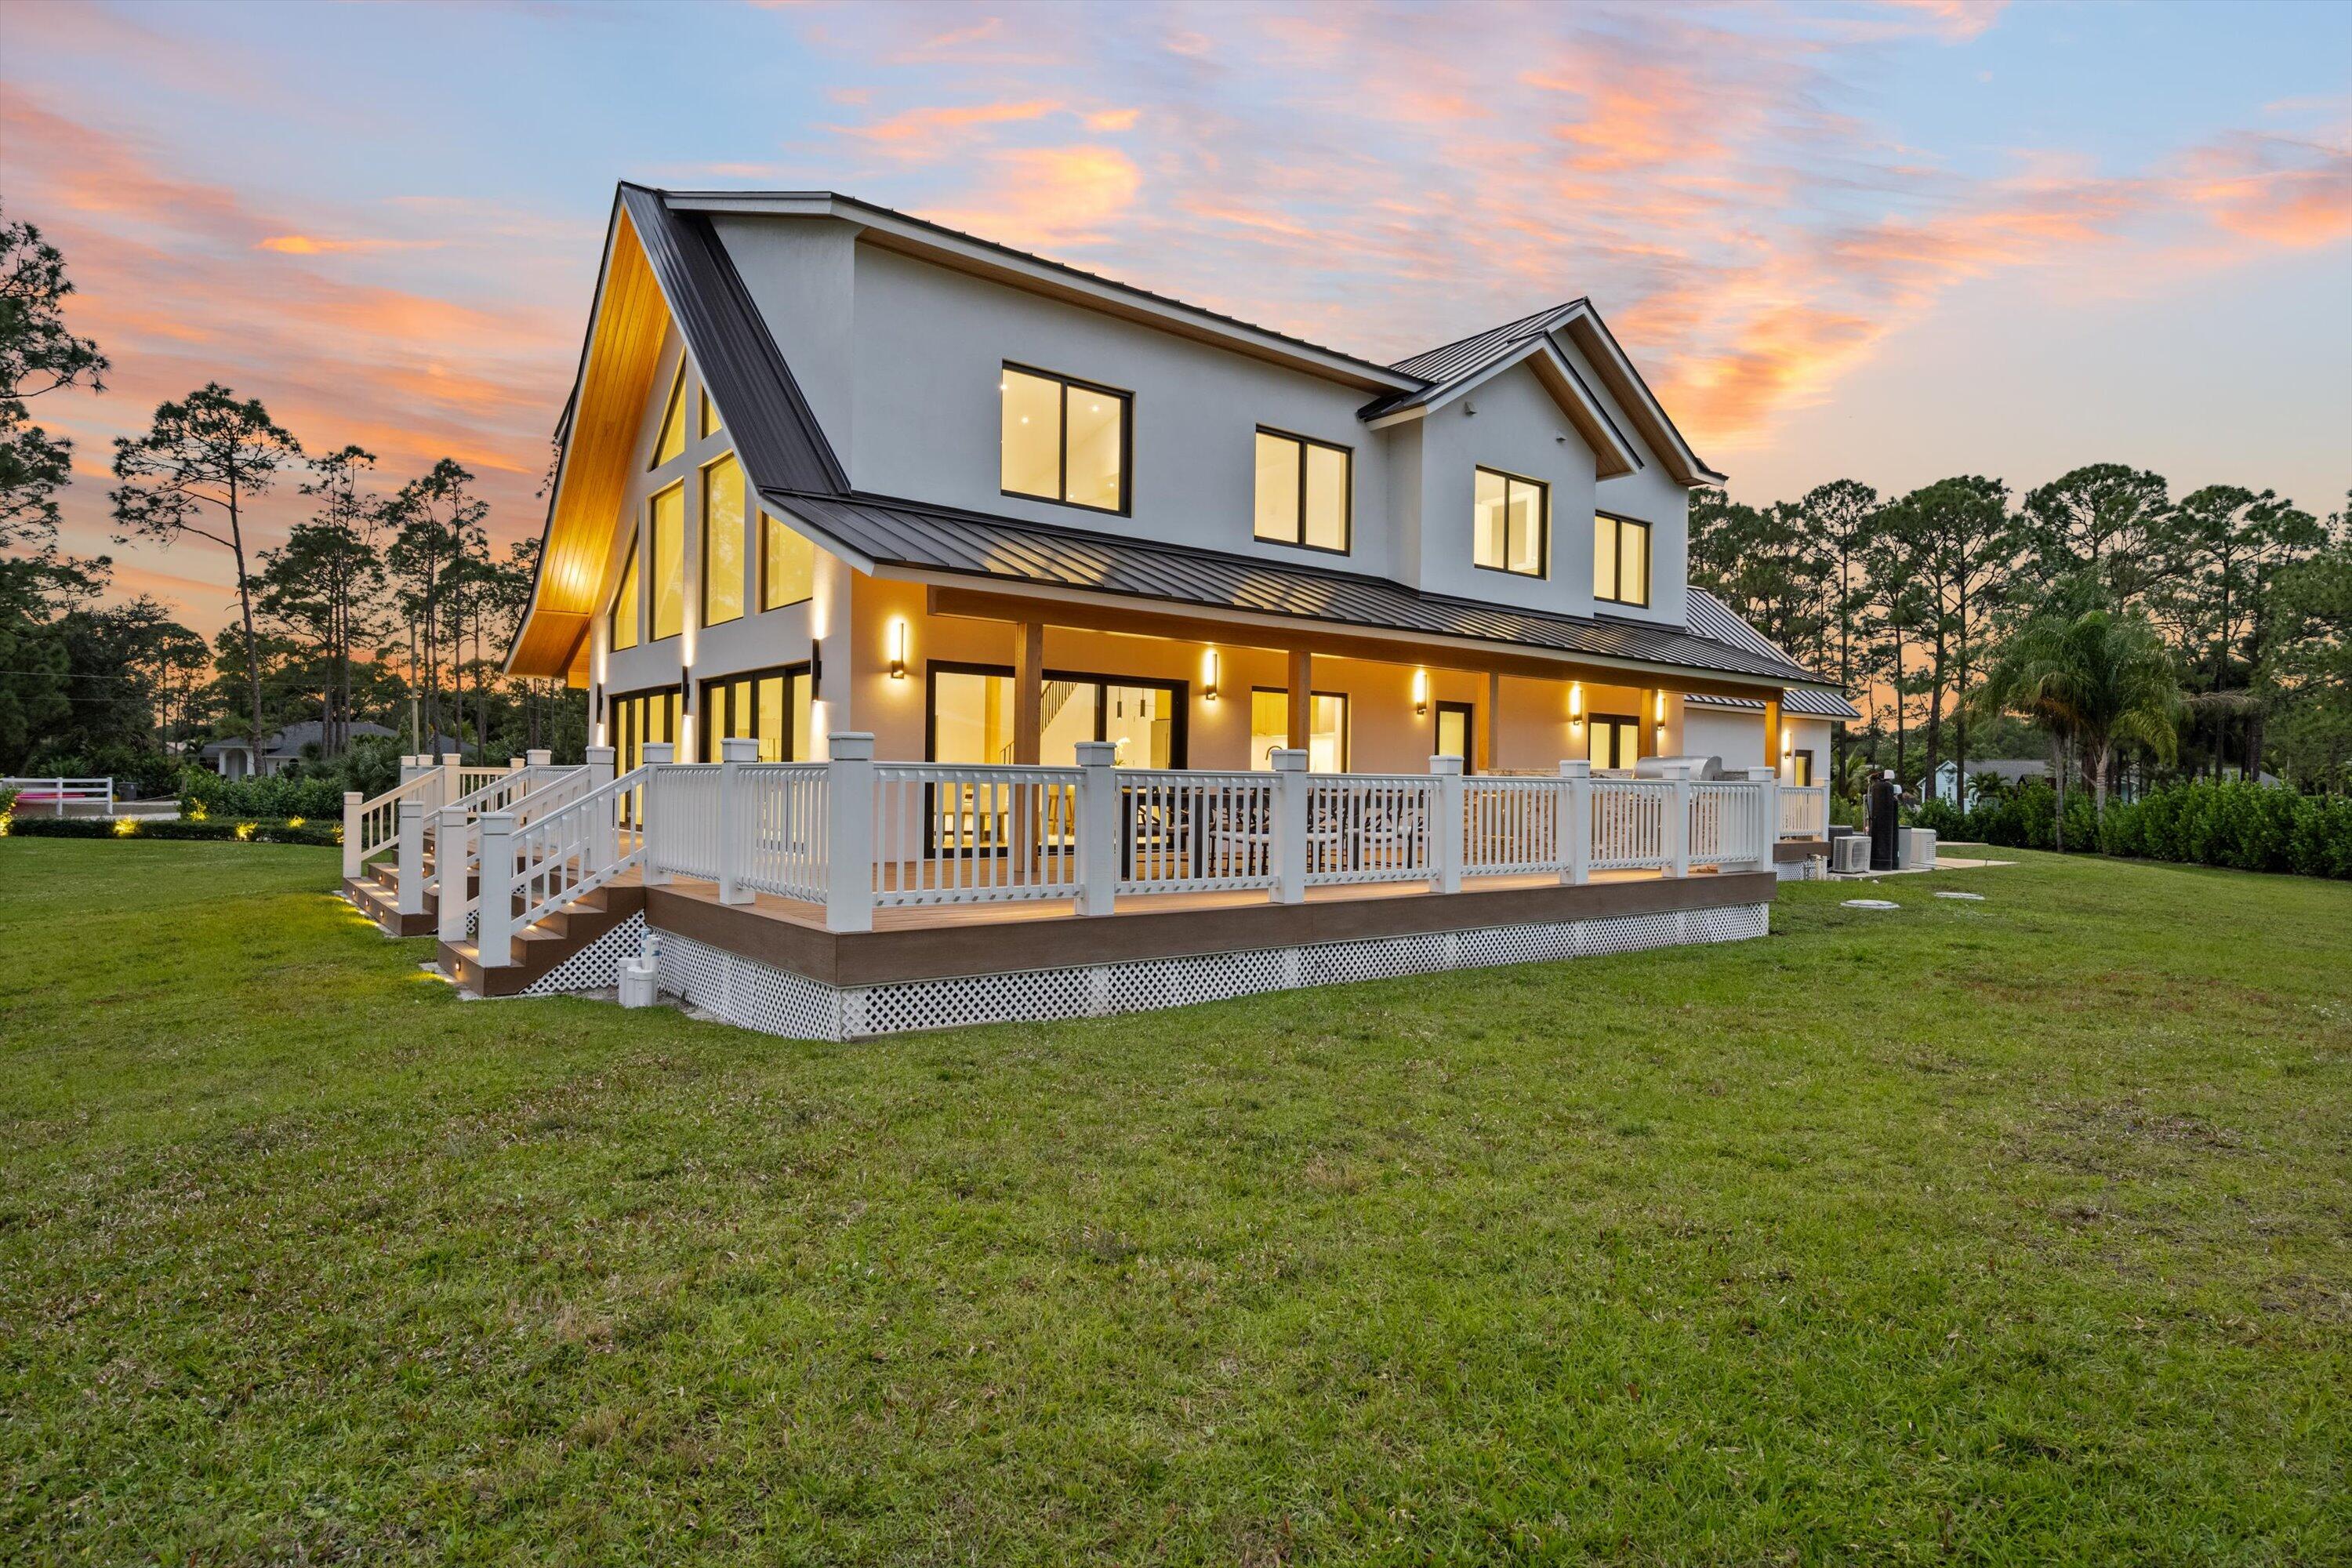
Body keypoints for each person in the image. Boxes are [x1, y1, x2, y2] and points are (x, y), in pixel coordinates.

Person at [1867, 768, 1901, 871]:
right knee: (1886, 837)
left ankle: (1890, 863)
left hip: (1878, 820)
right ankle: (1890, 863)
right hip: (1881, 822)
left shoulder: (1877, 787)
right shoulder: (1885, 787)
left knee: (1884, 836)